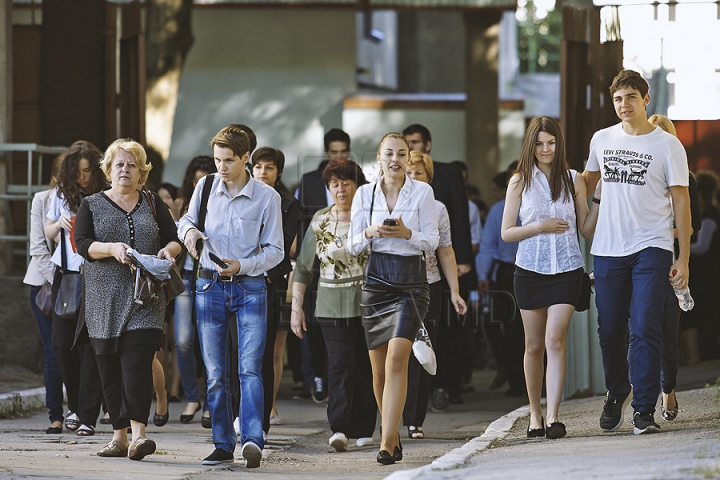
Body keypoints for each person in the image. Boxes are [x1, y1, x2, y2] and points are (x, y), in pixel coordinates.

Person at [582, 70, 691, 435]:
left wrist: (684, 258)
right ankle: (618, 391)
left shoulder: (668, 145)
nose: (624, 104)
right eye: (617, 99)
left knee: (646, 327)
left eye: (631, 97)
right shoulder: (602, 139)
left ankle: (643, 410)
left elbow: (681, 200)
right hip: (609, 248)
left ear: (646, 99)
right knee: (609, 329)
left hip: (653, 245)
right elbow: (585, 182)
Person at [178, 125, 283, 468]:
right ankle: (223, 443)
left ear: (245, 158)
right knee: (215, 371)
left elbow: (276, 251)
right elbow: (186, 221)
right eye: (217, 159)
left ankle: (252, 439)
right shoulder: (205, 186)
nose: (221, 167)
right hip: (208, 285)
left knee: (250, 368)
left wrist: (244, 265)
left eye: (228, 160)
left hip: (250, 285)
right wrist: (191, 234)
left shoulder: (268, 197)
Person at [74, 138, 183, 460]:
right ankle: (118, 437)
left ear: (142, 172)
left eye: (132, 164)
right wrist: (111, 248)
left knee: (136, 363)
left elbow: (174, 239)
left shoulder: (151, 202)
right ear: (108, 170)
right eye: (119, 164)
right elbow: (82, 244)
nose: (125, 169)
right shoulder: (91, 204)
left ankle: (139, 436)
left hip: (145, 297)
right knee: (109, 369)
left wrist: (169, 251)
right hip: (103, 299)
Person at [501, 117, 600, 439]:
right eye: (540, 143)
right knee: (533, 346)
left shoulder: (574, 179)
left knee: (555, 340)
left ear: (560, 145)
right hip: (529, 269)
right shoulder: (519, 181)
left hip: (568, 269)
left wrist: (598, 199)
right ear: (531, 145)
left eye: (552, 143)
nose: (546, 149)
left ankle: (555, 415)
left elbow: (585, 230)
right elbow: (506, 233)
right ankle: (534, 413)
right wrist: (539, 226)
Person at [349, 132, 439, 465]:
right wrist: (371, 232)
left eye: (402, 153)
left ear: (408, 157)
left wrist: (406, 233)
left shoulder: (423, 191)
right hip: (375, 282)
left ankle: (386, 442)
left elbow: (432, 240)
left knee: (396, 360)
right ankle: (394, 433)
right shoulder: (364, 194)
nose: (395, 159)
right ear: (379, 158)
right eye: (389, 153)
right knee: (378, 372)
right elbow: (353, 245)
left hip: (411, 284)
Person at [291, 159, 377, 451]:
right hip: (330, 305)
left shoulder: (371, 217)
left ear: (357, 185)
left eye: (346, 182)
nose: (340, 189)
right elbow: (303, 267)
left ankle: (366, 428)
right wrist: (296, 307)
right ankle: (339, 428)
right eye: (334, 184)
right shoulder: (320, 220)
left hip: (370, 303)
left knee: (367, 366)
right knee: (340, 365)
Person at [402, 124, 473, 412]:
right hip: (397, 282)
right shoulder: (387, 200)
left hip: (433, 277)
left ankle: (438, 391)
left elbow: (457, 228)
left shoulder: (442, 193)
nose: (413, 177)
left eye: (419, 173)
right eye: (409, 173)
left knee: (436, 338)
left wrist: (462, 266)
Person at [44, 140, 107, 436]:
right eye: (79, 172)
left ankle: (88, 415)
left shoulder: (105, 194)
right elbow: (47, 231)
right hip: (66, 274)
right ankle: (76, 406)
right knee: (62, 343)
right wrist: (59, 224)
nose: (83, 177)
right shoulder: (61, 193)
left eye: (87, 171)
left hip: (95, 274)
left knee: (92, 347)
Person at [295, 128, 353, 402]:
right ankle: (317, 377)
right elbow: (303, 226)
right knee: (316, 329)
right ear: (327, 152)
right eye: (334, 151)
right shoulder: (308, 182)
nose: (339, 156)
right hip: (317, 267)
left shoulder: (360, 183)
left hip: (351, 273)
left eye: (343, 151)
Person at [250, 147, 300, 430]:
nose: (263, 172)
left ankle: (269, 405)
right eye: (258, 167)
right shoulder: (242, 196)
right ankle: (248, 406)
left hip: (277, 280)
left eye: (269, 167)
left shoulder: (288, 203)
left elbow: (288, 247)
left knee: (274, 350)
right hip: (247, 278)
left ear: (278, 171)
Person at [172, 155, 217, 426]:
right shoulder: (181, 205)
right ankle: (192, 397)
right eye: (196, 179)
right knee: (183, 341)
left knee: (210, 343)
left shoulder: (221, 203)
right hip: (186, 277)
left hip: (212, 277)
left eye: (206, 179)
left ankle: (211, 403)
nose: (201, 184)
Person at [24, 154, 64, 434]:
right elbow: (38, 248)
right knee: (52, 350)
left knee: (79, 350)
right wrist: (59, 281)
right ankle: (56, 415)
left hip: (80, 284)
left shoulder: (89, 199)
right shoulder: (41, 199)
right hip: (45, 286)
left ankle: (80, 412)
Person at [477, 170, 524, 396]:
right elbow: (487, 246)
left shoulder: (498, 209)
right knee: (513, 327)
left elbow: (487, 245)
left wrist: (483, 275)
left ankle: (516, 379)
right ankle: (515, 378)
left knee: (512, 327)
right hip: (506, 272)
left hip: (508, 271)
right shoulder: (498, 210)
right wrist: (484, 275)